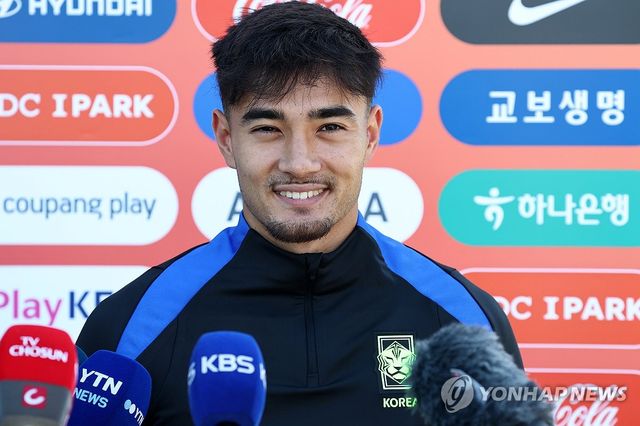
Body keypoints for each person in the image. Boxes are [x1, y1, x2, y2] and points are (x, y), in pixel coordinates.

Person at [77, 2, 522, 425]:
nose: (300, 163)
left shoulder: (464, 320)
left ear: (369, 135)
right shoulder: (130, 330)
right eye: (268, 129)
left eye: (329, 127)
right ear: (226, 139)